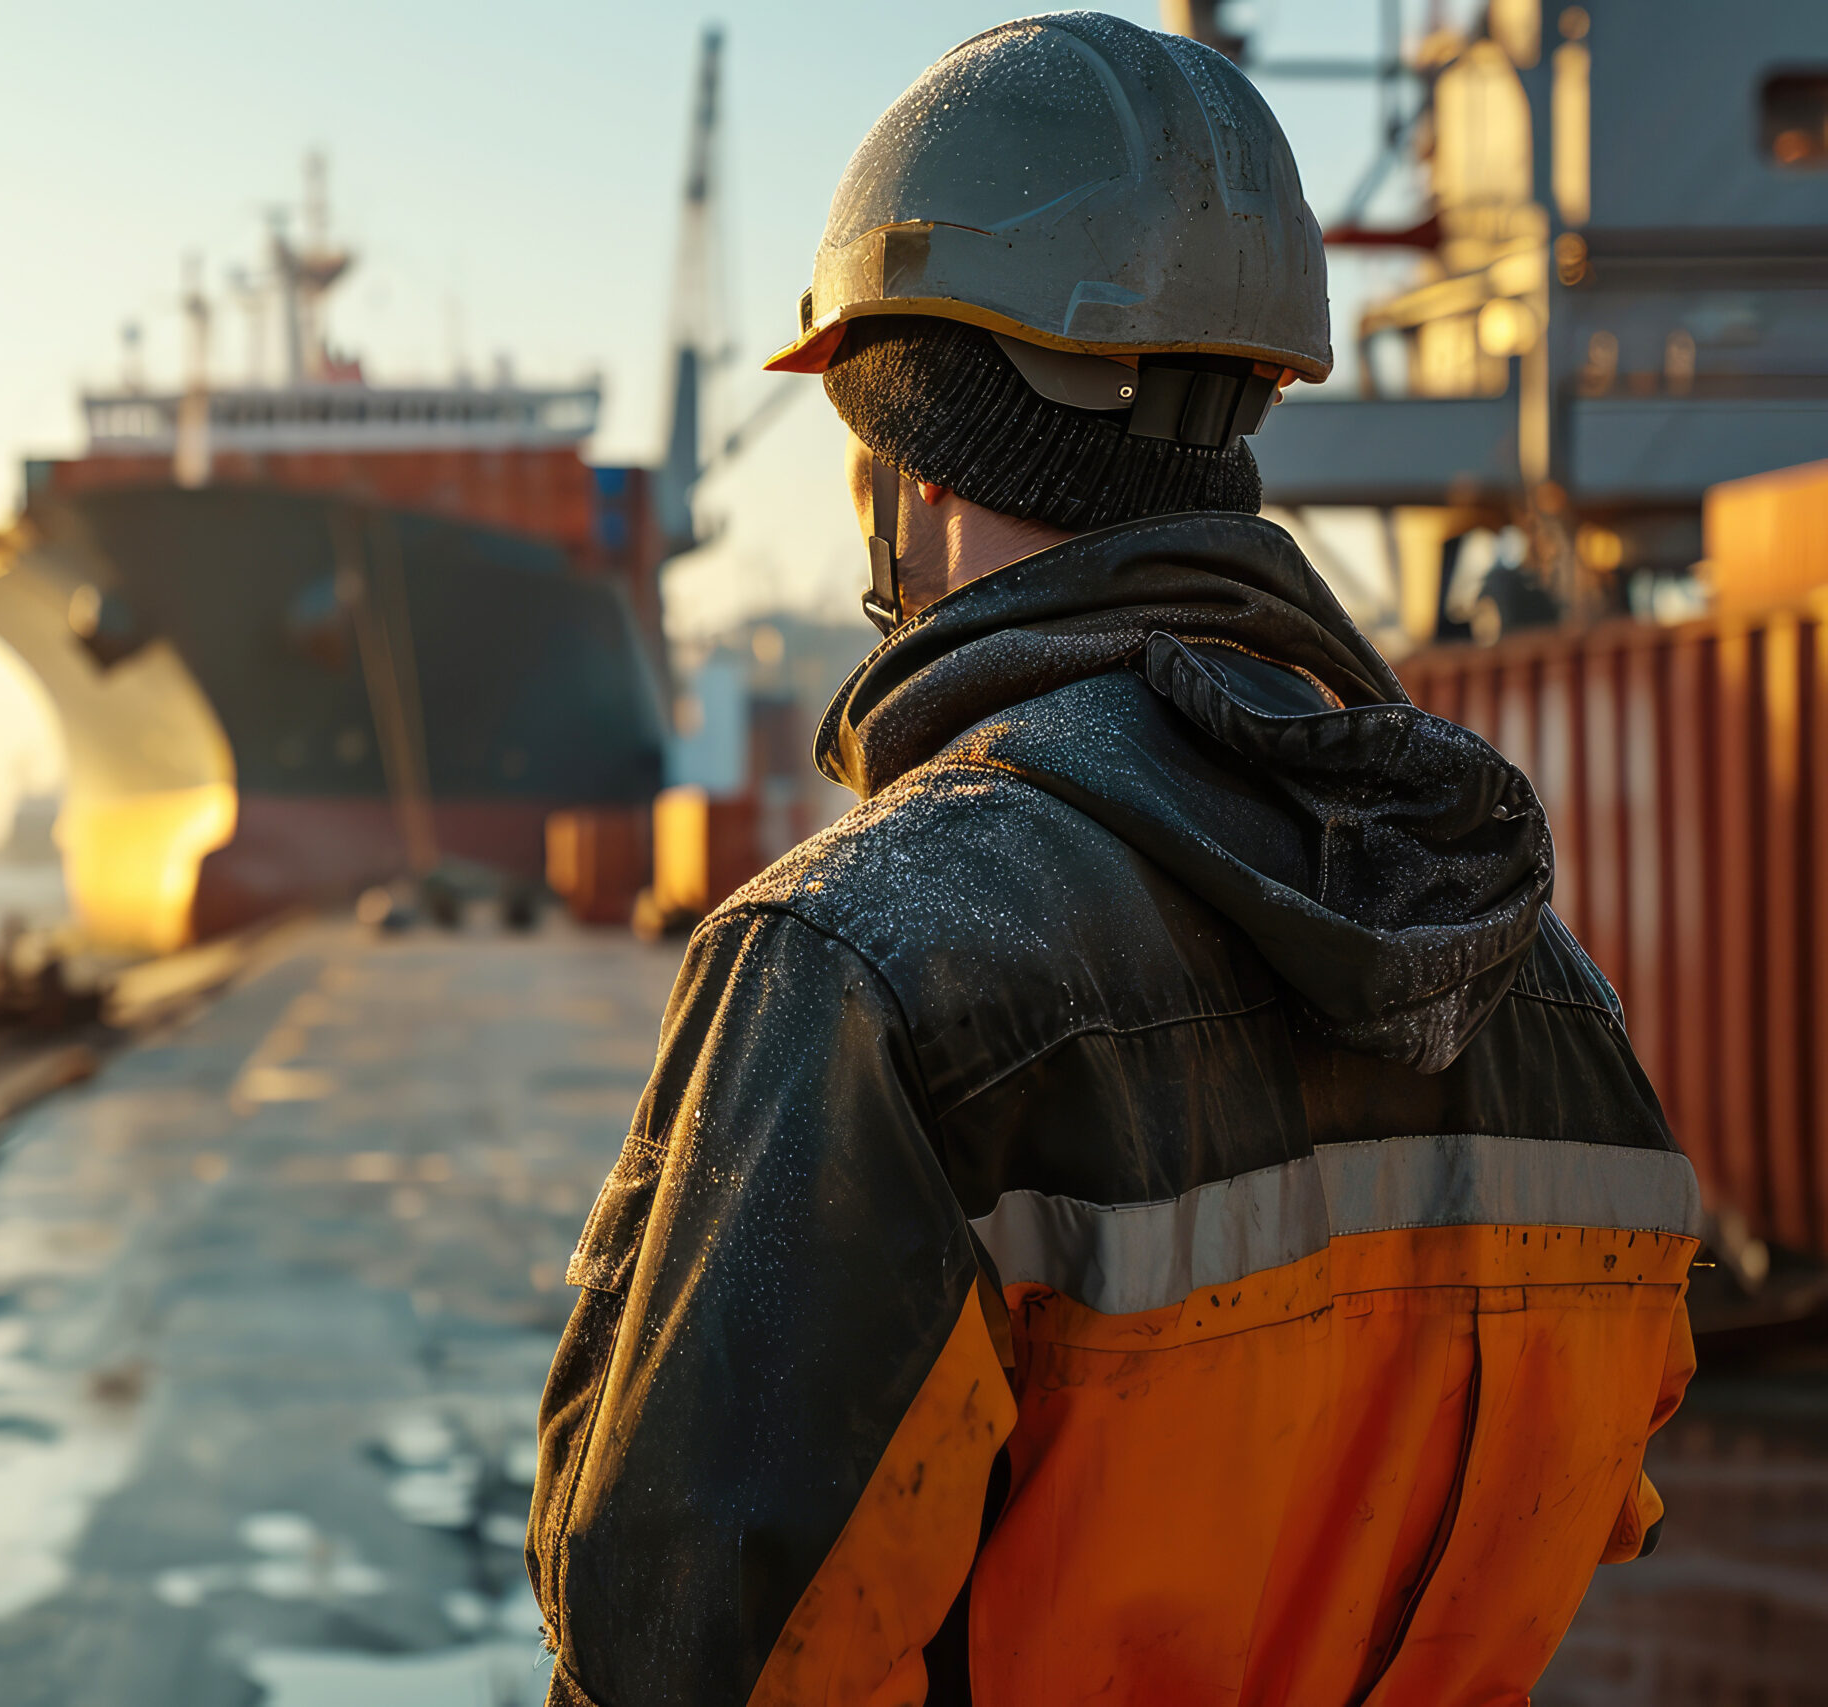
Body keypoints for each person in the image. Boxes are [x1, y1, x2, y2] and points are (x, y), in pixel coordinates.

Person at [525, 14, 1697, 1705]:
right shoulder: (1537, 982)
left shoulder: (863, 967)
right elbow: (1598, 1500)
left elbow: (673, 1645)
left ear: (898, 468)